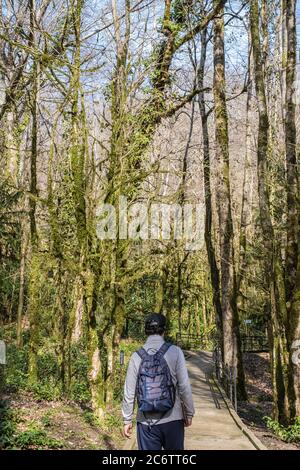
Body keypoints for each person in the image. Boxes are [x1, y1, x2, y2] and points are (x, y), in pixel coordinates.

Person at [122, 313, 195, 450]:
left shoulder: (136, 356)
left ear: (145, 331)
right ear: (164, 330)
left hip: (146, 422)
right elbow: (184, 386)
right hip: (173, 419)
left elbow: (129, 391)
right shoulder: (175, 352)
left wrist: (127, 419)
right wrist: (189, 413)